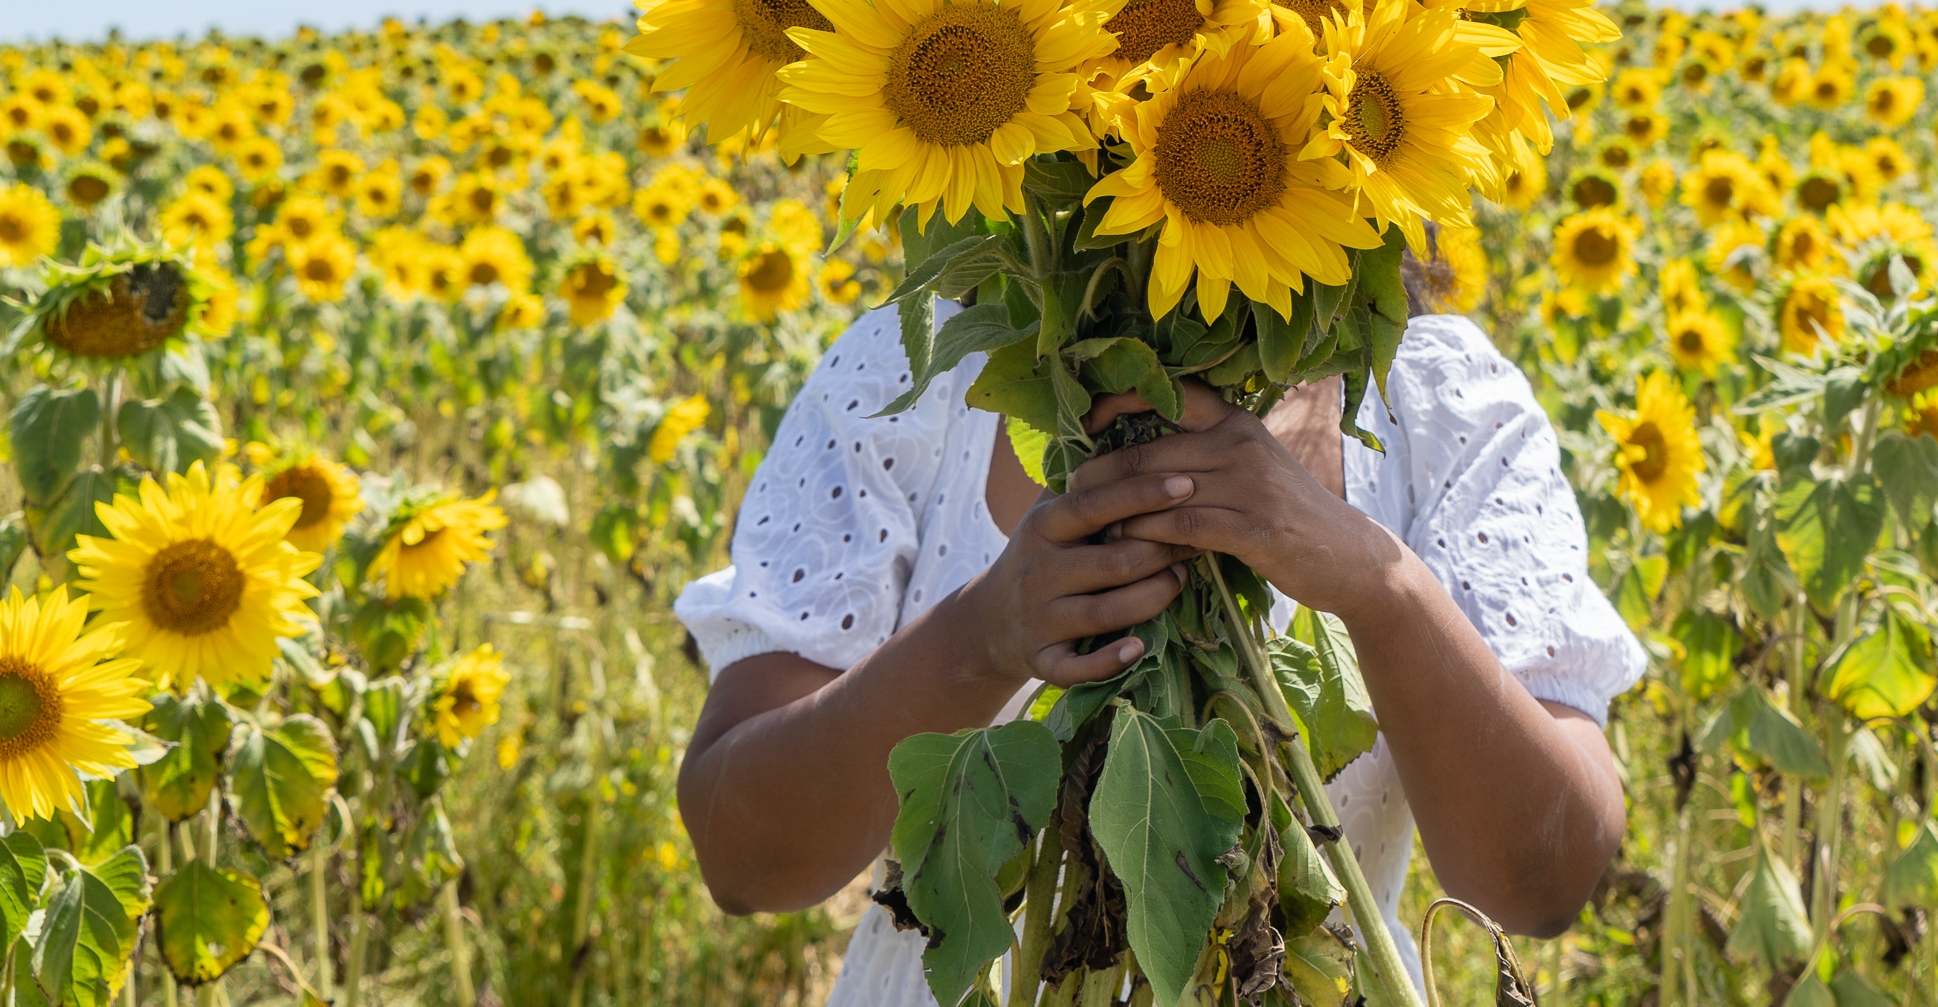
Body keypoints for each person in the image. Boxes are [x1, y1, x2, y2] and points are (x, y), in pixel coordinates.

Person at [674, 293, 1644, 1005]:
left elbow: (1541, 878)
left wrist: (1380, 587)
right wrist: (982, 635)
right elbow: (746, 856)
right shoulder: (913, 368)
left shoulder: (1432, 401)